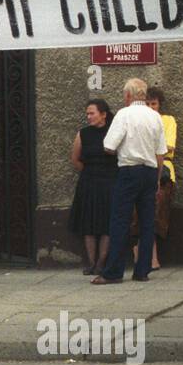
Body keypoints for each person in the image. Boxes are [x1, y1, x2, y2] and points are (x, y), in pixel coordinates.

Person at [93, 78, 167, 285]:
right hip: (150, 172)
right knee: (146, 222)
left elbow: (109, 146)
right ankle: (142, 270)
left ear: (127, 95)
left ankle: (113, 272)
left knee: (120, 220)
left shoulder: (124, 115)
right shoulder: (155, 117)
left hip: (128, 171)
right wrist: (157, 180)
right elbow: (160, 152)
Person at [69, 99, 117, 275]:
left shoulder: (114, 132)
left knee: (106, 223)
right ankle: (91, 262)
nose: (88, 117)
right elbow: (75, 159)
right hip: (89, 182)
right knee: (88, 223)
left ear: (103, 114)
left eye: (92, 113)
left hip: (110, 182)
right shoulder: (83, 134)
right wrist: (90, 172)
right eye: (87, 113)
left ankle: (101, 262)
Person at [133, 86, 178, 272]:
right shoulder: (139, 120)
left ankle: (151, 256)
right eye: (148, 104)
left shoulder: (167, 120)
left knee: (156, 214)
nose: (151, 107)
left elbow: (169, 147)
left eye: (154, 104)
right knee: (137, 214)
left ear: (159, 105)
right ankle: (142, 253)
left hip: (163, 171)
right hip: (142, 167)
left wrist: (147, 148)